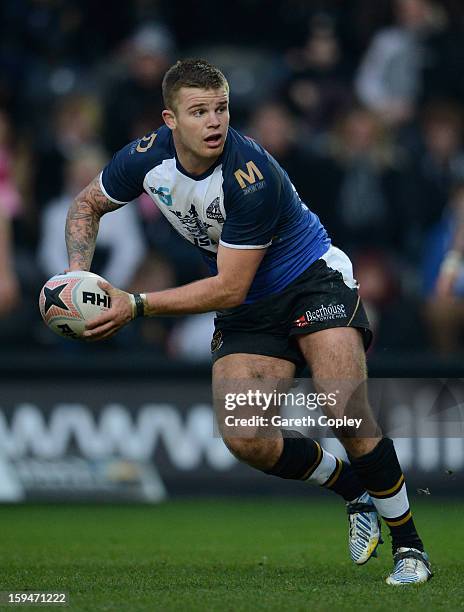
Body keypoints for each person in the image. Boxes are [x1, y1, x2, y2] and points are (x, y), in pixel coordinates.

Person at [64, 59, 431, 585]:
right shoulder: (143, 159)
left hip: (311, 279)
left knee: (344, 409)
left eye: (222, 109)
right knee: (245, 436)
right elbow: (85, 206)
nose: (215, 122)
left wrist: (135, 304)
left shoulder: (247, 174)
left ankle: (410, 548)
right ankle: (352, 489)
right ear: (170, 120)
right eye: (200, 111)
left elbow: (229, 285)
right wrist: (77, 282)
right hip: (251, 307)